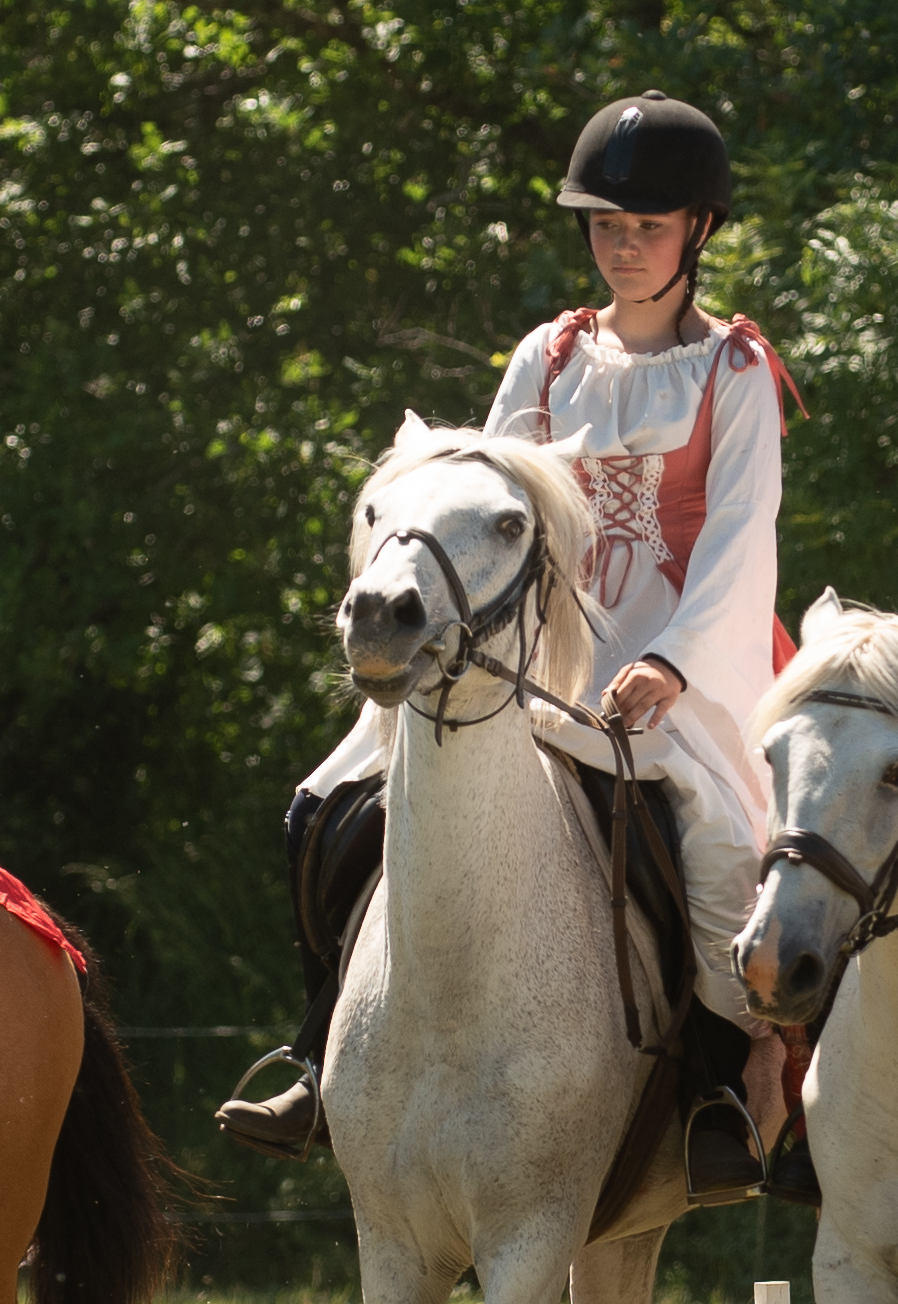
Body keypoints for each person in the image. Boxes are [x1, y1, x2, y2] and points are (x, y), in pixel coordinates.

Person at [212, 94, 790, 1204]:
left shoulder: (735, 370)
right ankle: (317, 1045)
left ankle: (717, 1083)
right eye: (605, 227)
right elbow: (481, 502)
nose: (622, 246)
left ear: (698, 233)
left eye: (646, 227)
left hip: (678, 645)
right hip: (529, 635)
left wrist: (670, 660)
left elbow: (736, 534)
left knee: (716, 837)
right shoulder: (548, 352)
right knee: (326, 802)